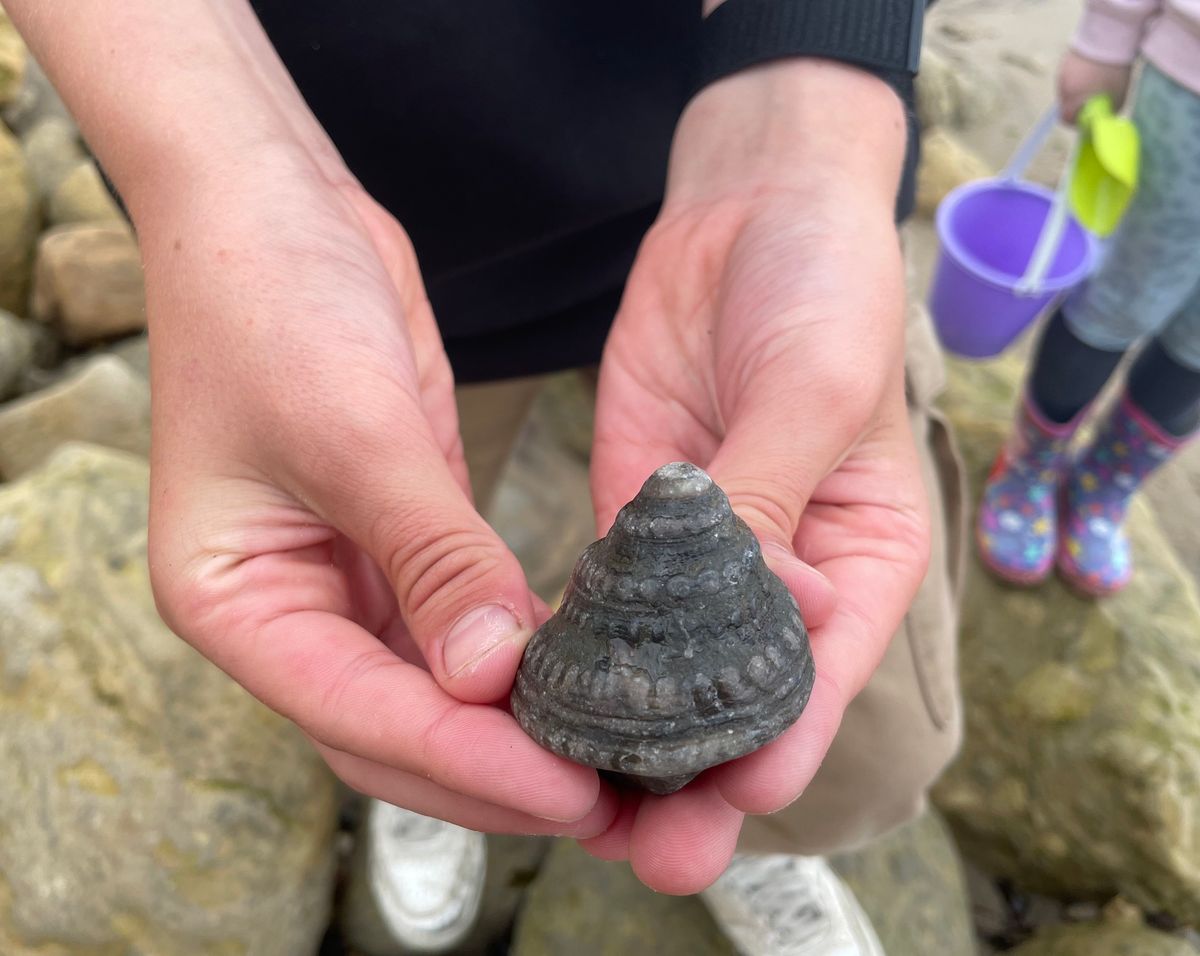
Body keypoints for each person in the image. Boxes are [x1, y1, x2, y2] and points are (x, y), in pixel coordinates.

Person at [7, 2, 964, 952]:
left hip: (747, 205)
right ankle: (457, 782)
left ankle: (762, 836)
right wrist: (213, 169)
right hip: (357, 276)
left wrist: (811, 96)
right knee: (413, 639)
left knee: (869, 744)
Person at [978, 0, 1200, 596]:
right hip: (1190, 95)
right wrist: (1108, 35)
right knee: (1118, 297)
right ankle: (1030, 464)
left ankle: (1105, 484)